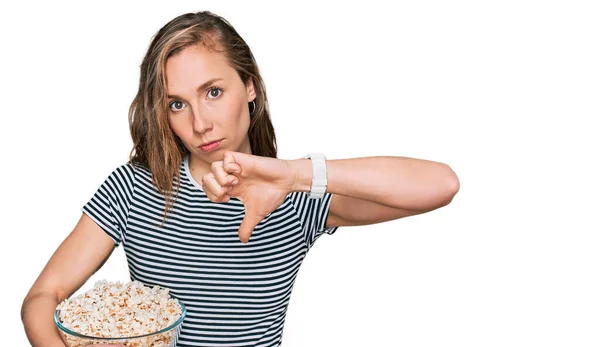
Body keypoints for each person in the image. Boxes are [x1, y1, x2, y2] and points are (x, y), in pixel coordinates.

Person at [21, 10, 459, 347]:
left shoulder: (296, 194)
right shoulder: (135, 188)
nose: (200, 123)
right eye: (177, 104)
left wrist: (292, 174)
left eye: (214, 92)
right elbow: (44, 296)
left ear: (249, 86)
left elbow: (440, 185)